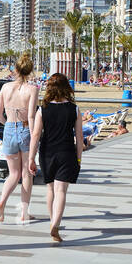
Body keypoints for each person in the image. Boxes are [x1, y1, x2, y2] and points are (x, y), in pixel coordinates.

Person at [30, 73, 84, 243]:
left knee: (51, 189)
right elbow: (80, 137)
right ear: (66, 87)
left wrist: (31, 158)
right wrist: (78, 159)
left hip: (47, 153)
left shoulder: (42, 109)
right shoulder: (74, 109)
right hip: (66, 152)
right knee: (61, 191)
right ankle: (56, 224)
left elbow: (36, 135)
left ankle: (52, 219)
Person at [0, 52, 39, 224]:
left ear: (16, 69)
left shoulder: (5, 88)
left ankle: (2, 202)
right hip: (25, 129)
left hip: (9, 129)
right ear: (30, 71)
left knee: (13, 174)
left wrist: (8, 125)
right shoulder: (32, 89)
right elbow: (32, 116)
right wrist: (34, 136)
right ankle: (24, 213)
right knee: (27, 174)